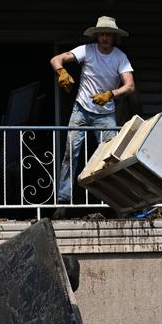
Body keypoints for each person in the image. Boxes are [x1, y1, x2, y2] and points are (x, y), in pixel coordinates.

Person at [49, 16, 136, 204]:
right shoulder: (86, 50)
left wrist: (110, 94)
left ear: (114, 37)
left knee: (110, 157)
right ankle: (63, 200)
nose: (104, 37)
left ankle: (112, 199)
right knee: (70, 154)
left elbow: (129, 86)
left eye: (108, 35)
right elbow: (57, 59)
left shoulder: (119, 57)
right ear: (97, 36)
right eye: (101, 34)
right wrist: (61, 72)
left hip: (105, 114)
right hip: (81, 109)